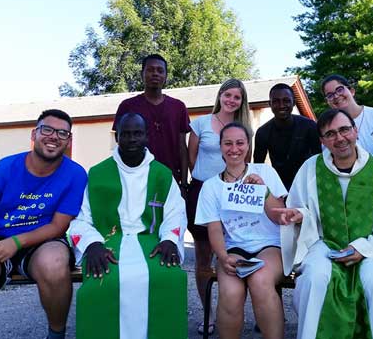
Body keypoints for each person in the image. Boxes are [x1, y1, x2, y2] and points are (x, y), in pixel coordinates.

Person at [275, 109, 373, 339]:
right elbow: (300, 208)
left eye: (344, 130)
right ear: (322, 141)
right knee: (316, 277)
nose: (339, 138)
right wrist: (300, 216)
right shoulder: (311, 168)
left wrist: (362, 248)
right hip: (324, 244)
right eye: (330, 134)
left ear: (355, 131)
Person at [0, 109, 87, 339]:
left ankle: (56, 335)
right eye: (47, 129)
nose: (54, 137)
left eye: (62, 133)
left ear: (69, 140)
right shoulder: (4, 168)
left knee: (54, 264)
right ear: (34, 134)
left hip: (44, 241)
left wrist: (17, 242)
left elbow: (58, 226)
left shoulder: (75, 174)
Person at [70, 112, 187, 339]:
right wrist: (92, 245)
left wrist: (170, 240)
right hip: (108, 241)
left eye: (137, 133)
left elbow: (175, 213)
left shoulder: (162, 174)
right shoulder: (98, 174)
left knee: (170, 279)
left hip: (151, 240)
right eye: (126, 134)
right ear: (117, 137)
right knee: (101, 282)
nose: (132, 139)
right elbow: (82, 218)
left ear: (146, 136)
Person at [195, 122, 288, 339]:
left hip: (270, 244)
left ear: (248, 145)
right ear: (220, 146)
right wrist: (223, 257)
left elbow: (280, 216)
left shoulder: (265, 172)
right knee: (230, 291)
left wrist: (264, 191)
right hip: (234, 248)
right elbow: (214, 228)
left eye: (240, 143)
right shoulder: (211, 186)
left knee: (260, 281)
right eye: (228, 143)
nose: (234, 149)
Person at [187, 78, 252, 335]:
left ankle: (232, 312)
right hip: (203, 192)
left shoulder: (245, 128)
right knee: (204, 258)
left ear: (242, 101)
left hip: (234, 195)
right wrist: (207, 184)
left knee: (235, 254)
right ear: (220, 95)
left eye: (237, 97)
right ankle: (208, 314)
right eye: (228, 95)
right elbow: (192, 157)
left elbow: (247, 161)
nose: (231, 100)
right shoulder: (201, 123)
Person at [113, 53, 191, 186]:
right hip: (135, 178)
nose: (155, 74)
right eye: (150, 70)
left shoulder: (178, 107)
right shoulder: (127, 106)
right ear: (142, 74)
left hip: (170, 178)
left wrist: (183, 183)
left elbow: (182, 147)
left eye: (160, 70)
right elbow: (120, 142)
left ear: (166, 76)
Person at [254, 83, 321, 190]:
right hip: (280, 186)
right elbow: (258, 166)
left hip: (308, 183)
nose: (281, 105)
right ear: (270, 104)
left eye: (286, 100)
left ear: (294, 102)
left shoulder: (309, 126)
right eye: (276, 101)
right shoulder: (263, 132)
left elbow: (319, 158)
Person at [321, 75, 373, 158]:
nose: (336, 96)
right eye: (330, 95)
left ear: (352, 91)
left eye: (339, 90)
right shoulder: (328, 129)